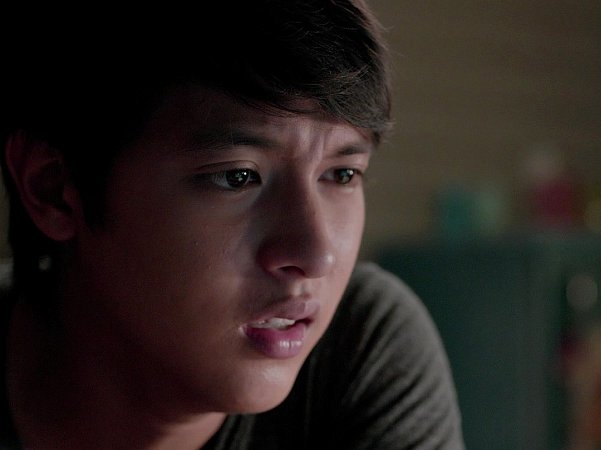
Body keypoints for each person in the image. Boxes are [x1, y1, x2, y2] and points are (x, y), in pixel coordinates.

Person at [0, 1, 464, 448]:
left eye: (342, 174)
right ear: (54, 189)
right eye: (237, 177)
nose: (317, 255)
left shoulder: (359, 345)